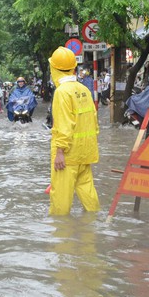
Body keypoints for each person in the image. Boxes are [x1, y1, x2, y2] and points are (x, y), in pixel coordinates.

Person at [47, 46, 100, 216]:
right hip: (85, 152)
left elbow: (64, 124)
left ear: (54, 69)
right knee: (88, 193)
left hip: (67, 155)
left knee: (60, 203)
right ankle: (93, 229)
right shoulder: (83, 89)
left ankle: (62, 238)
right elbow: (94, 120)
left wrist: (60, 151)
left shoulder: (62, 92)